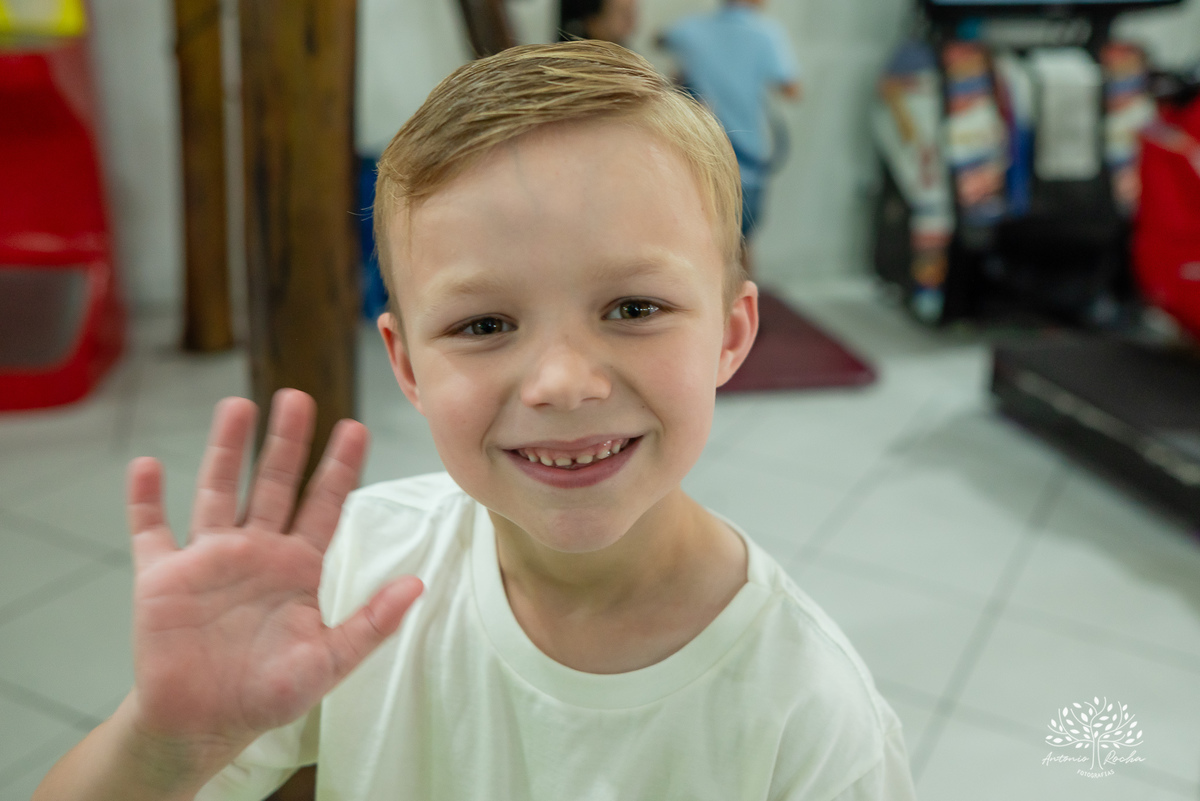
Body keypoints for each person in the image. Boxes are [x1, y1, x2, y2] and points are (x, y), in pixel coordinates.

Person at [34, 41, 915, 801]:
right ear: (409, 363)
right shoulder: (353, 575)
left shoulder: (812, 711)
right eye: (485, 325)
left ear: (730, 333)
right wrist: (166, 740)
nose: (564, 382)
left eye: (633, 307)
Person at [659, 0, 802, 275]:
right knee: (741, 247)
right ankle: (741, 314)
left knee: (700, 243)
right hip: (746, 163)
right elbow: (793, 89)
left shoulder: (691, 29)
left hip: (700, 157)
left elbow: (661, 38)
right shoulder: (766, 34)